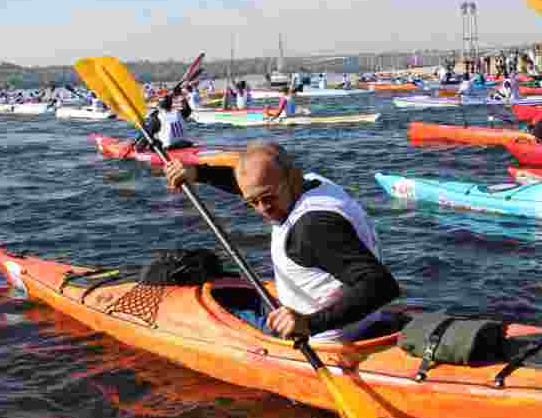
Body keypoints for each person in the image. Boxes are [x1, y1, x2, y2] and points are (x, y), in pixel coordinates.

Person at [163, 141, 401, 341]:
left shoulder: (312, 229)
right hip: (362, 317)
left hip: (323, 337)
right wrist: (198, 173)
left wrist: (308, 324)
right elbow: (255, 184)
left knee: (221, 306)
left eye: (268, 198)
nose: (263, 209)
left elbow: (382, 286)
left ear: (291, 177)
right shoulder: (314, 184)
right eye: (252, 202)